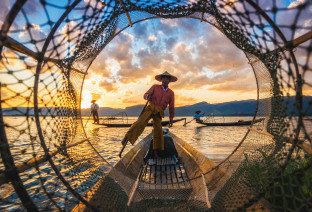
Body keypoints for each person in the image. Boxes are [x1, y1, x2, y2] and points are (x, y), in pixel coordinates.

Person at [121, 71, 177, 158]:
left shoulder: (171, 93)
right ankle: (127, 137)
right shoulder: (155, 87)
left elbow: (171, 107)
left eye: (167, 78)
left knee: (158, 132)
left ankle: (156, 152)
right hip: (150, 108)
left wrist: (171, 119)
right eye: (163, 78)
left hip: (159, 112)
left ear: (169, 81)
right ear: (161, 80)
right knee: (140, 123)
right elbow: (145, 95)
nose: (165, 80)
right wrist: (148, 96)